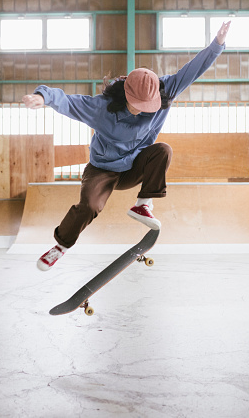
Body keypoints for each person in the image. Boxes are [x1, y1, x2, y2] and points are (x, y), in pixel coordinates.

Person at [23, 21, 231, 271]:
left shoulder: (165, 92)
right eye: (137, 106)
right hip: (102, 170)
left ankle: (143, 204)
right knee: (89, 207)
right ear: (125, 96)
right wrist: (42, 97)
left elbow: (193, 70)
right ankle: (60, 247)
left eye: (147, 107)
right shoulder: (102, 108)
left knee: (163, 150)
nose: (143, 112)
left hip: (134, 167)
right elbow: (67, 101)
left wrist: (217, 44)